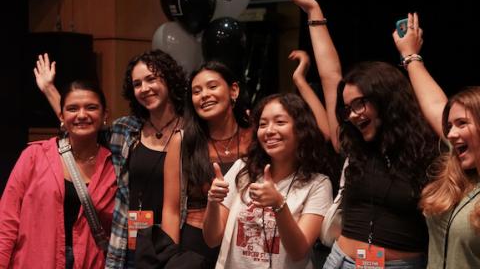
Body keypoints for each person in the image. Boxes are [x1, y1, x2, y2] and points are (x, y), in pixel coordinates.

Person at [283, 0, 439, 268]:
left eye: (360, 104)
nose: (353, 115)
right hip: (339, 260)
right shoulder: (354, 145)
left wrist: (411, 57)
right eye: (348, 108)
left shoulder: (426, 149)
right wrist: (314, 13)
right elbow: (331, 77)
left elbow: (439, 109)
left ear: (386, 101)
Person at [34, 50, 187, 268]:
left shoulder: (192, 132)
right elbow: (80, 123)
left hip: (179, 242)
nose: (144, 88)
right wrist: (49, 89)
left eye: (151, 79)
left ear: (169, 79)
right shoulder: (126, 130)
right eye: (137, 84)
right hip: (131, 244)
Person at [203, 93, 333, 268]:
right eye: (263, 124)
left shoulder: (318, 184)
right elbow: (212, 239)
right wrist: (212, 201)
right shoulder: (243, 169)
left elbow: (298, 251)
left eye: (280, 122)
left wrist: (279, 204)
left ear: (301, 129)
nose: (269, 130)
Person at [393, 13, 480, 268]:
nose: (450, 134)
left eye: (462, 124)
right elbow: (434, 105)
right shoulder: (463, 172)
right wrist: (410, 56)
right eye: (449, 126)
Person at [0, 80, 117, 268]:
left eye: (91, 107)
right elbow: (6, 221)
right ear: (61, 116)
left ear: (104, 114)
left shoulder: (115, 166)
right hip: (36, 261)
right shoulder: (34, 156)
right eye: (72, 108)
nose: (82, 115)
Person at [162, 61, 253, 267]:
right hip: (197, 246)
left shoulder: (256, 136)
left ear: (234, 90)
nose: (204, 95)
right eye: (196, 91)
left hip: (247, 243)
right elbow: (171, 208)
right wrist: (171, 258)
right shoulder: (184, 141)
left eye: (212, 87)